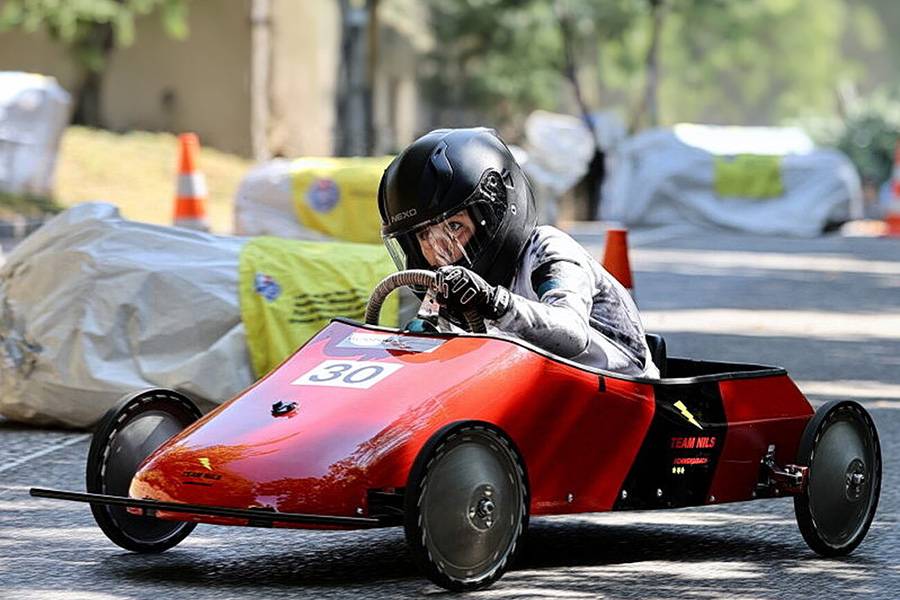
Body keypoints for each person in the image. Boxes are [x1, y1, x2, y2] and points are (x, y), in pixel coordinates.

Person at [377, 127, 659, 378]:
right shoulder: (449, 293)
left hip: (623, 398)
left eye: (454, 226)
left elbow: (572, 333)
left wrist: (494, 302)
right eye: (424, 236)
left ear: (496, 214)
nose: (440, 250)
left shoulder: (546, 248)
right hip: (539, 397)